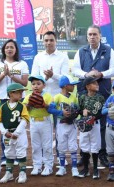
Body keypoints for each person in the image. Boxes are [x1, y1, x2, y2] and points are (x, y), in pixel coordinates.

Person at [73, 25, 114, 167]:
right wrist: (87, 75)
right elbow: (75, 69)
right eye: (89, 34)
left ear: (100, 36)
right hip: (84, 93)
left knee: (103, 124)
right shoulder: (81, 51)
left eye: (94, 34)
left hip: (102, 91)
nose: (92, 37)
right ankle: (84, 155)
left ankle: (102, 154)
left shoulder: (109, 50)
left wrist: (101, 74)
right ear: (87, 36)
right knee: (85, 122)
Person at [31, 31, 70, 166]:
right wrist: (44, 79)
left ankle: (60, 156)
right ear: (43, 42)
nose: (48, 42)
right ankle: (43, 158)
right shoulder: (38, 57)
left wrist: (53, 75)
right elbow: (34, 77)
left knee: (60, 130)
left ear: (56, 41)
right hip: (41, 100)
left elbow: (66, 78)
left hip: (58, 99)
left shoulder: (63, 57)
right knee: (42, 131)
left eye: (51, 40)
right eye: (46, 40)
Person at [0, 39, 29, 166]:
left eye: (12, 47)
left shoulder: (22, 64)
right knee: (5, 127)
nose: (9, 49)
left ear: (16, 49)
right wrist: (4, 74)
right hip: (3, 98)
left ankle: (18, 156)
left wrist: (11, 75)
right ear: (4, 49)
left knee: (18, 127)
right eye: (7, 47)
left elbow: (24, 83)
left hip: (19, 99)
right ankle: (5, 156)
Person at [0, 83, 30, 184]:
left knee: (21, 152)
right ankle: (9, 173)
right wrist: (4, 132)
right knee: (9, 152)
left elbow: (25, 119)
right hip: (7, 134)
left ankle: (22, 172)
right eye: (19, 92)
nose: (21, 94)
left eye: (21, 92)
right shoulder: (3, 107)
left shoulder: (22, 106)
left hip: (19, 133)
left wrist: (17, 132)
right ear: (11, 94)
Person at [48, 75, 79, 177]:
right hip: (61, 125)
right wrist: (61, 112)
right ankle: (62, 168)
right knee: (61, 145)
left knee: (73, 146)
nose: (74, 86)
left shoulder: (74, 97)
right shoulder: (57, 97)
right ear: (66, 86)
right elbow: (50, 109)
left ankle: (74, 168)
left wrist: (75, 113)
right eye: (72, 85)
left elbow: (78, 109)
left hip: (72, 125)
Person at [23, 75, 54, 176]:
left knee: (47, 145)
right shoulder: (28, 96)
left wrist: (43, 104)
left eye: (38, 84)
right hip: (33, 122)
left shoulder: (47, 96)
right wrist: (29, 105)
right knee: (35, 145)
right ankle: (37, 165)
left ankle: (48, 166)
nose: (35, 86)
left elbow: (51, 109)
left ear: (44, 85)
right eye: (33, 84)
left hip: (45, 121)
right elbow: (24, 108)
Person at [78, 77, 105, 179]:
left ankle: (95, 169)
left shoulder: (100, 98)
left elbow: (101, 113)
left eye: (97, 83)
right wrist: (82, 111)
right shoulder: (82, 97)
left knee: (95, 146)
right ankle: (85, 168)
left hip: (95, 124)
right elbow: (79, 110)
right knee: (84, 145)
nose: (97, 84)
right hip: (84, 125)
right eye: (94, 83)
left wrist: (93, 118)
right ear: (88, 86)